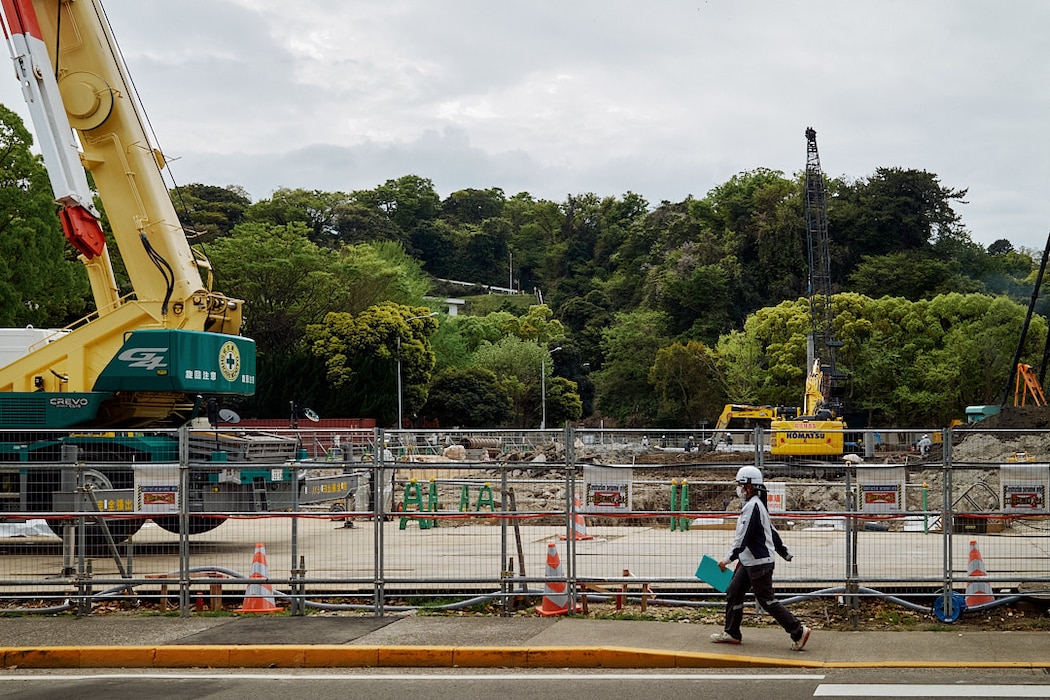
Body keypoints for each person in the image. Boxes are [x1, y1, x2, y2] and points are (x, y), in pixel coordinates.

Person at [711, 465, 811, 651]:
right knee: (734, 592)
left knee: (766, 600)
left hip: (758, 563)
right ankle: (732, 632)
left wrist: (727, 560)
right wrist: (783, 551)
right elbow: (771, 531)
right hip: (749, 561)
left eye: (740, 485)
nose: (738, 489)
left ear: (748, 486)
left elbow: (742, 538)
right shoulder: (756, 505)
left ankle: (798, 631)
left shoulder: (752, 507)